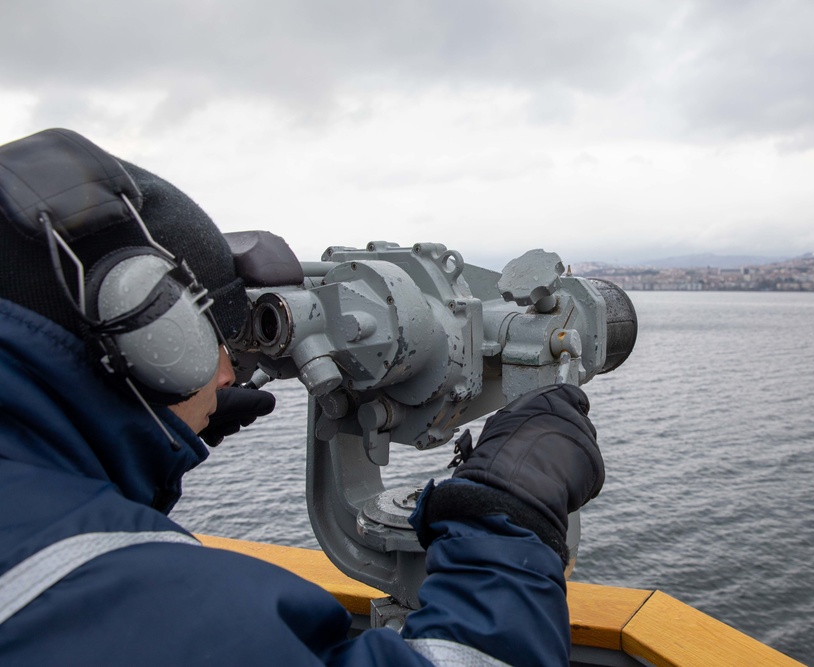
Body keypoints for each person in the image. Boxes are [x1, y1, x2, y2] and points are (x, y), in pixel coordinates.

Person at [0, 128, 604, 666]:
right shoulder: (128, 597)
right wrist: (508, 520)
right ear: (157, 334)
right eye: (221, 341)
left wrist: (134, 436)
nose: (229, 376)